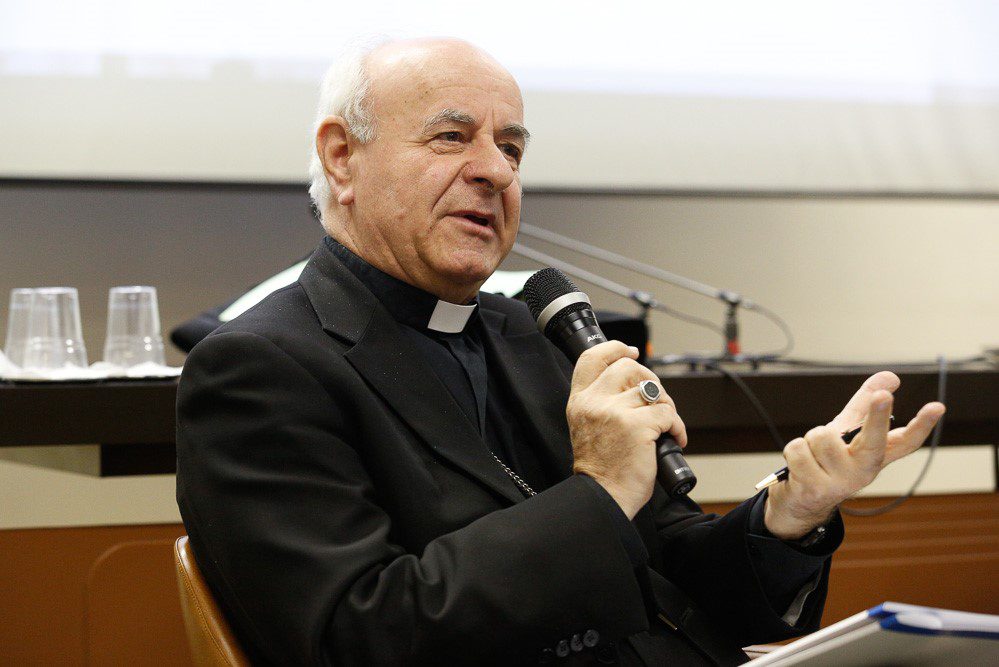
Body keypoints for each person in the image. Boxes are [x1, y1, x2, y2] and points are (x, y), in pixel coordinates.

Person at [175, 38, 945, 666]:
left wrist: (785, 516)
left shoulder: (528, 333)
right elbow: (357, 637)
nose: (495, 171)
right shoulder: (260, 367)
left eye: (511, 147)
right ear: (342, 157)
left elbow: (672, 570)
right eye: (451, 137)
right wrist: (599, 489)